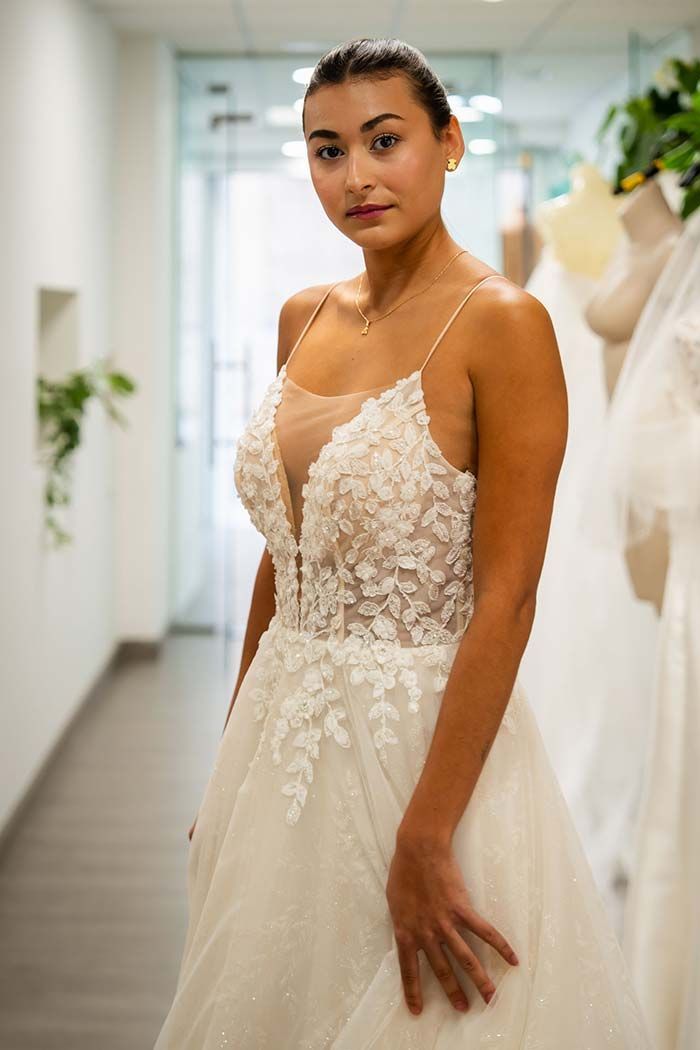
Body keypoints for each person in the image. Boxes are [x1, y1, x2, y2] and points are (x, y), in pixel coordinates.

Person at [154, 37, 653, 1049]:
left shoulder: (502, 324)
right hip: (280, 733)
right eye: (327, 149)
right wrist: (232, 752)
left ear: (450, 142)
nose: (357, 176)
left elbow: (508, 596)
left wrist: (428, 830)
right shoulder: (302, 316)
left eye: (385, 141)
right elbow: (287, 552)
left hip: (419, 743)